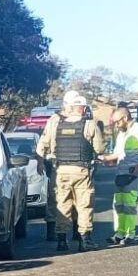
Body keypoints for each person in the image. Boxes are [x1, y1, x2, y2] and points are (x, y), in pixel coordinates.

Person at [37, 94, 105, 252]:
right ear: (81, 108)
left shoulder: (56, 122)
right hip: (81, 170)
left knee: (62, 204)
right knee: (84, 205)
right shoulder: (89, 124)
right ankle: (84, 240)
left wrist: (40, 161)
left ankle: (61, 241)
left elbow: (43, 143)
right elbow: (100, 149)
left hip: (60, 170)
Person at [99, 107, 138, 246]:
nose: (116, 124)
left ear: (124, 118)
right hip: (121, 172)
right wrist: (104, 158)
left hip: (133, 172)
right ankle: (120, 233)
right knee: (119, 204)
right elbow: (117, 153)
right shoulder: (122, 134)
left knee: (129, 204)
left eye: (117, 121)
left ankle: (131, 233)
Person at [39, 90, 80, 241]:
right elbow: (44, 141)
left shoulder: (83, 119)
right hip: (58, 164)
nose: (74, 108)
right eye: (72, 105)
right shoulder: (54, 120)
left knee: (78, 198)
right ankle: (52, 231)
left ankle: (77, 230)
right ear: (66, 105)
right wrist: (40, 161)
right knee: (55, 198)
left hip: (78, 164)